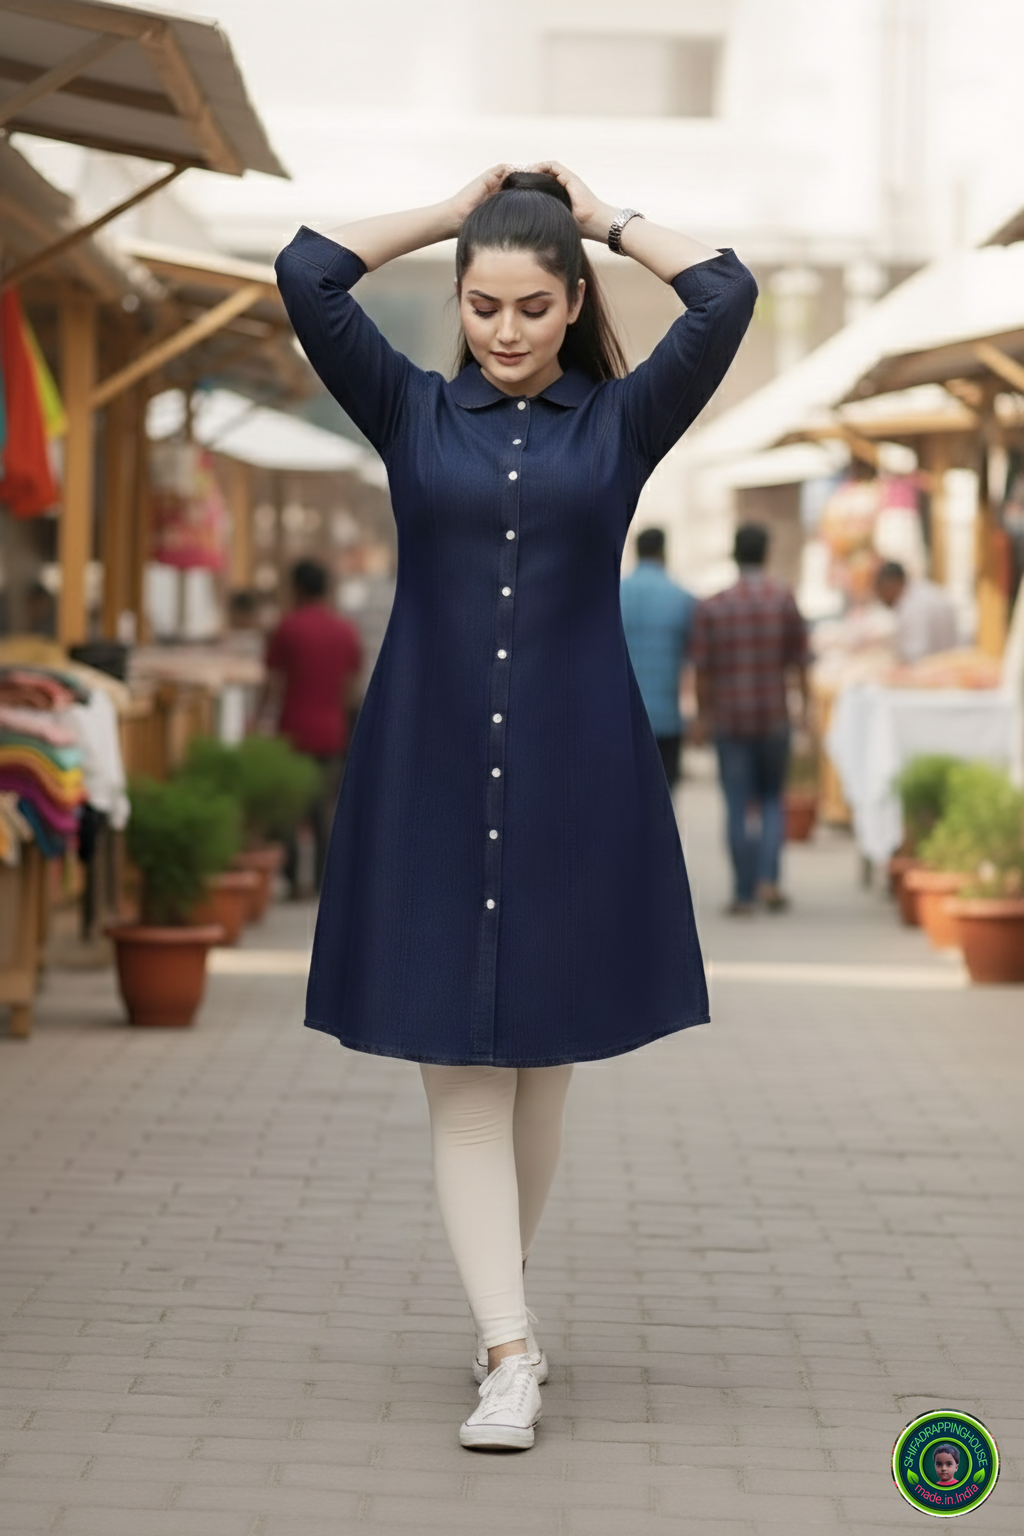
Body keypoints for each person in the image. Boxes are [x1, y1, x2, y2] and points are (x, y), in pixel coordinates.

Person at [276, 163, 756, 1450]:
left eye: (534, 307)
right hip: (429, 777)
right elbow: (307, 270)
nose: (504, 330)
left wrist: (600, 217)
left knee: (541, 1073)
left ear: (574, 302)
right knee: (467, 1086)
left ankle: (503, 1302)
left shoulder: (625, 423)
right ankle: (508, 1350)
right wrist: (454, 213)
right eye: (482, 304)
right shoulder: (408, 409)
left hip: (575, 780)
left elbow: (724, 294)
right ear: (458, 300)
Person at [691, 523, 809, 915]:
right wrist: (805, 711)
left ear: (734, 555)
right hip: (774, 716)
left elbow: (702, 670)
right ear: (766, 554)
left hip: (730, 720)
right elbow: (800, 662)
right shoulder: (783, 600)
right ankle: (769, 881)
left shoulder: (714, 606)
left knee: (738, 804)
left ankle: (743, 894)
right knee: (773, 799)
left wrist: (702, 717)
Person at [263, 559, 362, 896]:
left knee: (289, 809)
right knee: (324, 810)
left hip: (292, 729)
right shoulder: (345, 630)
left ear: (298, 588)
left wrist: (261, 721)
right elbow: (351, 687)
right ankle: (323, 881)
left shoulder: (287, 628)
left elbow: (274, 682)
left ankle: (293, 879)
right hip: (331, 731)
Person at [619, 527, 697, 786]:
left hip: (622, 717)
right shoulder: (683, 598)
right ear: (663, 552)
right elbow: (694, 660)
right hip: (667, 718)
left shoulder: (615, 594)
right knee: (664, 794)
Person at [875, 559, 958, 662]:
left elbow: (916, 656)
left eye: (880, 591)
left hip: (933, 666)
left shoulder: (914, 608)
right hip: (943, 661)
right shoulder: (922, 592)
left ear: (889, 584)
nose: (880, 598)